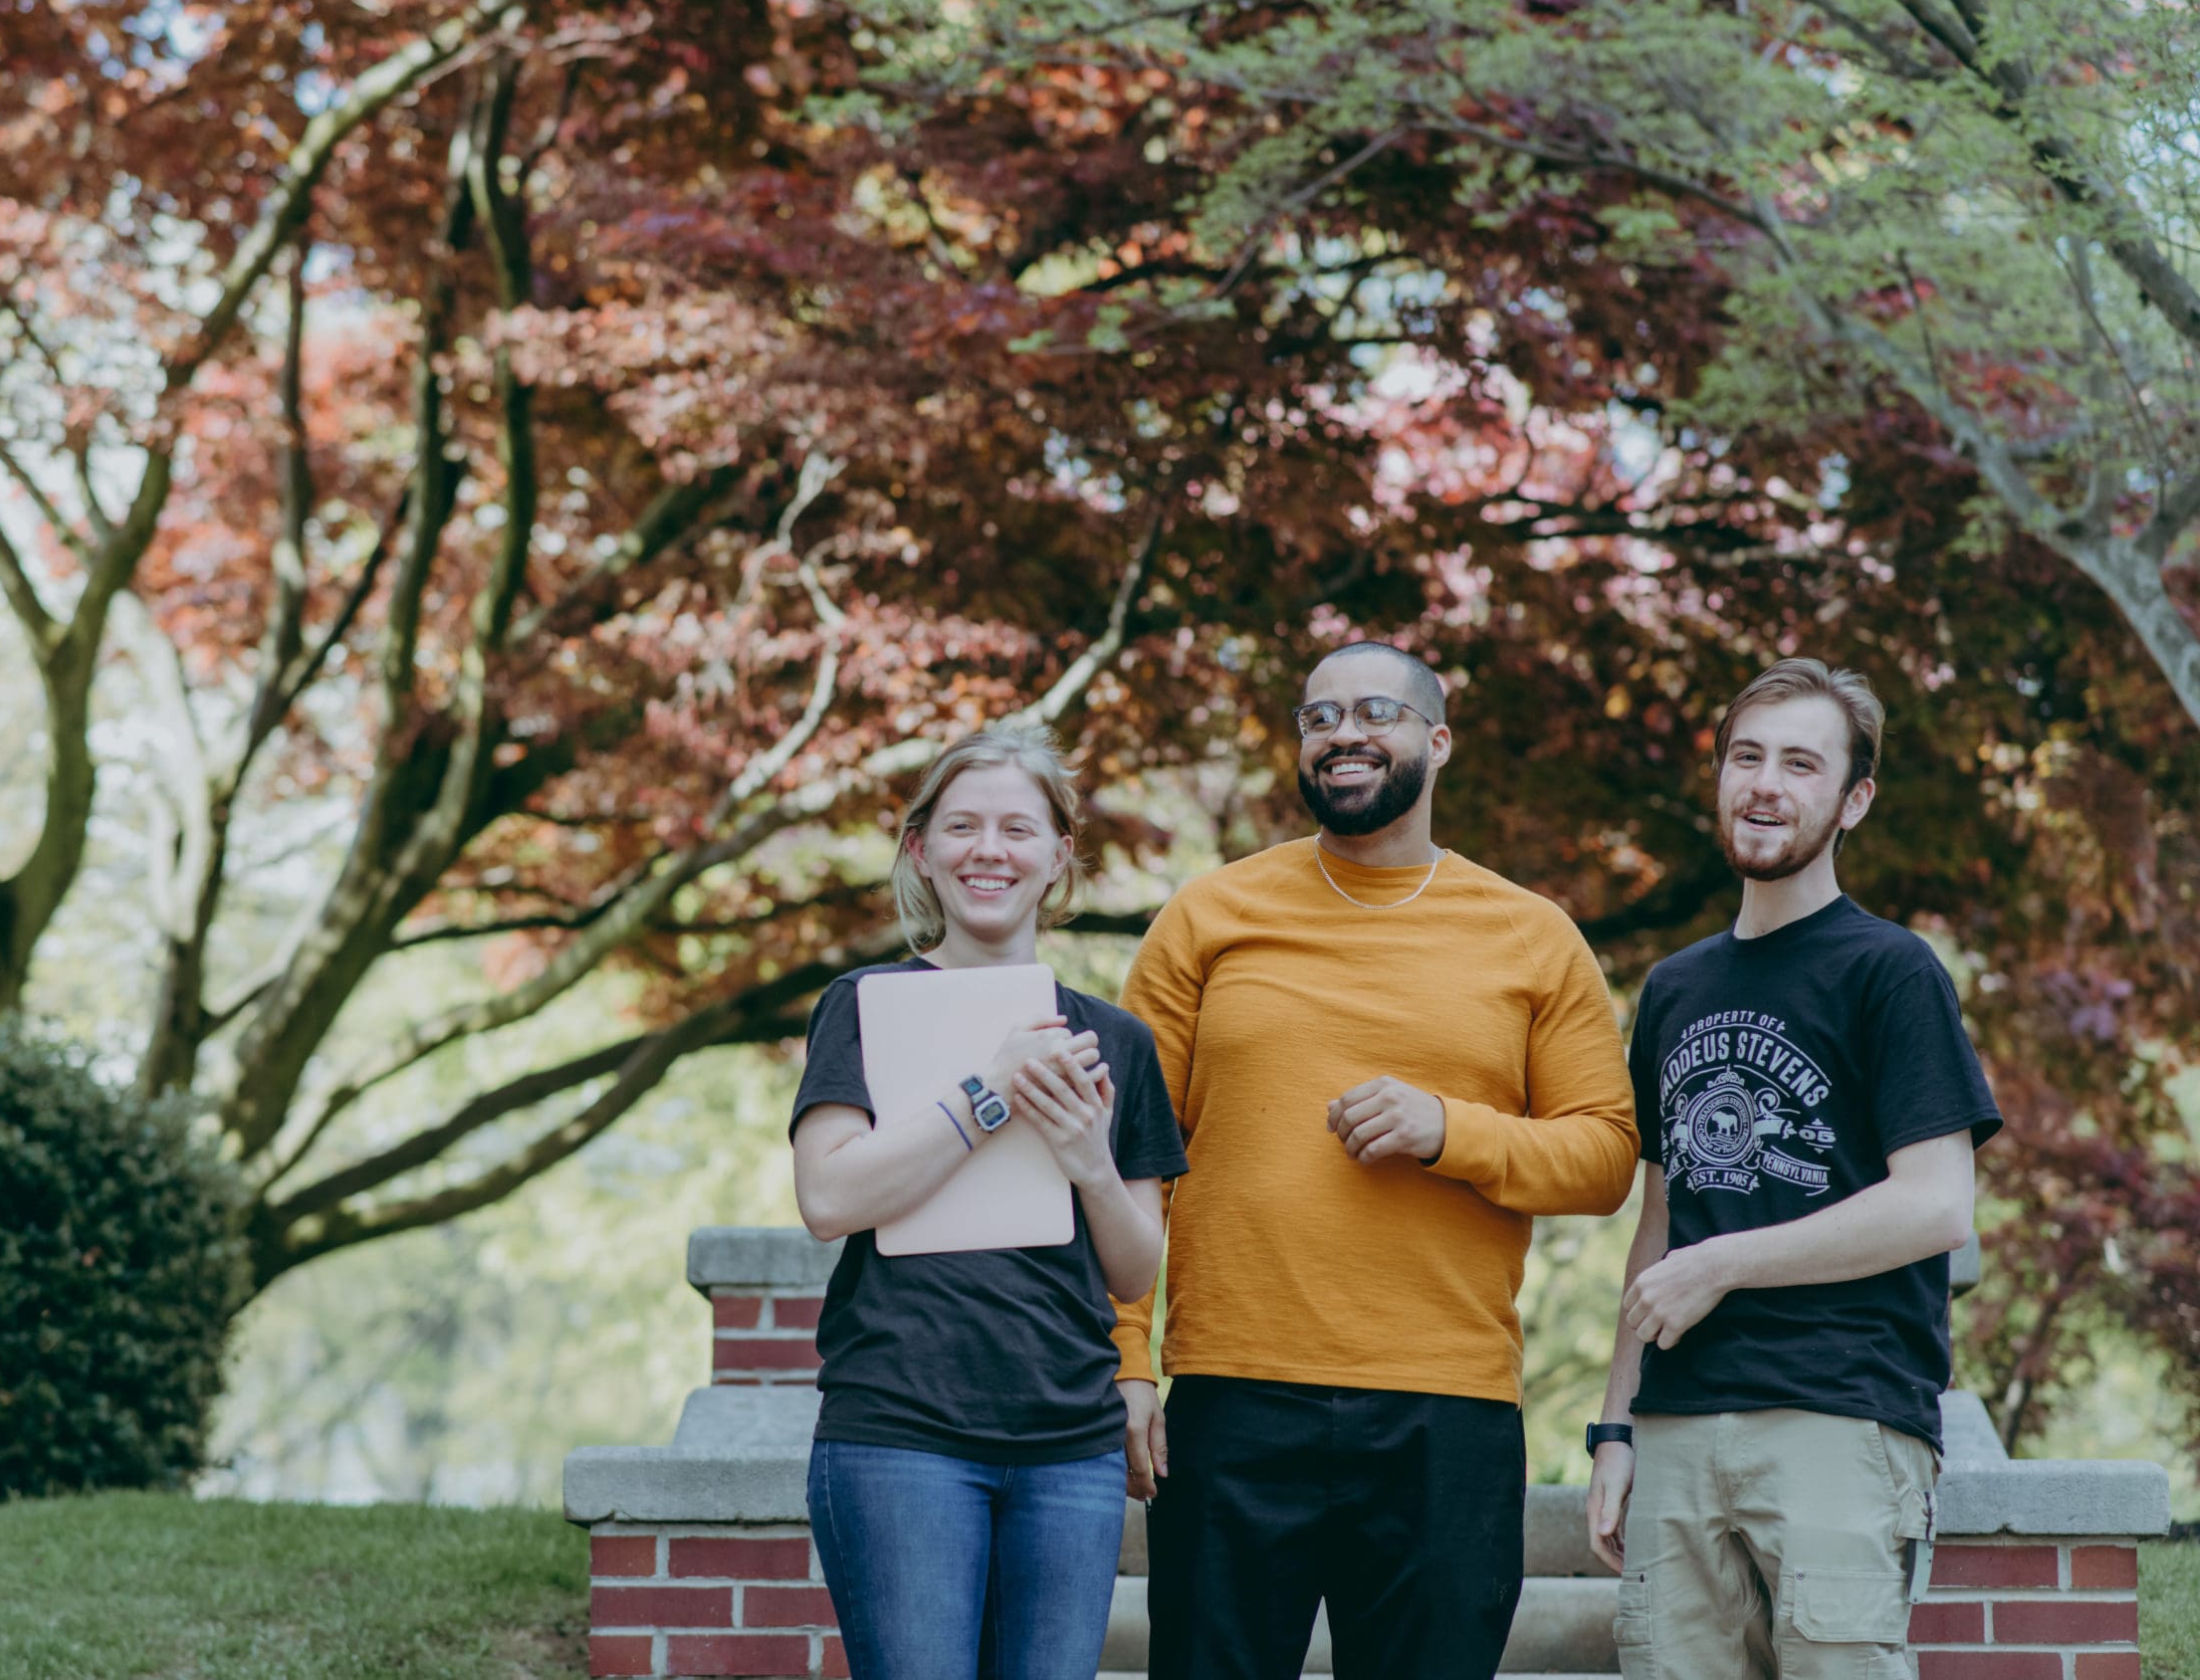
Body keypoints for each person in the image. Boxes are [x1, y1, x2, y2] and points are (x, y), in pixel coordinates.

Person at [1114, 641, 1640, 1680]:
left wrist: (1452, 1132)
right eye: (1317, 717)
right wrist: (1127, 1358)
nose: (1342, 732)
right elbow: (1126, 1155)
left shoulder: (1531, 936)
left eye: (1375, 712)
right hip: (1231, 1396)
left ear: (1436, 742)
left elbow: (1606, 1155)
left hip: (1444, 1409)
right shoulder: (1207, 918)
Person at [1583, 657, 2002, 1679]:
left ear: (1852, 799)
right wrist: (1613, 1425)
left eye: (1801, 764)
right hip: (1676, 1426)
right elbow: (1663, 1220)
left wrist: (1725, 1264)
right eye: (1747, 757)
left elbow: (1936, 1205)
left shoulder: (1889, 970)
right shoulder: (1673, 986)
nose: (1766, 784)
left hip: (1839, 1416)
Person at [789, 725, 1190, 1680]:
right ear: (921, 849)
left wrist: (1090, 1160)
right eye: (962, 826)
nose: (989, 850)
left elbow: (1135, 1267)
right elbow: (828, 1195)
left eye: (1018, 828)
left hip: (1071, 1446)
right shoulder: (865, 1004)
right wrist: (988, 1090)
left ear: (1058, 854)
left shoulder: (1118, 1042)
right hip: (900, 1432)